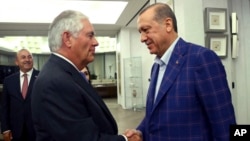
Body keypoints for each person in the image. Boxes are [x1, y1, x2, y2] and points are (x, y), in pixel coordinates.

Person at [125, 3, 236, 141]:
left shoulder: (201, 59)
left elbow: (224, 123)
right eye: (140, 32)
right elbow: (155, 114)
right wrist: (140, 131)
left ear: (168, 25)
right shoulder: (156, 67)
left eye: (146, 30)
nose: (142, 38)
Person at [31, 10, 141, 141]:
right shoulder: (56, 82)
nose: (96, 42)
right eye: (90, 35)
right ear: (67, 39)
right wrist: (126, 139)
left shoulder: (65, 74)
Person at [1, 49, 39, 141]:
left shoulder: (42, 77)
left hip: (37, 130)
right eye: (23, 57)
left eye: (29, 57)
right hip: (15, 130)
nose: (27, 59)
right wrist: (5, 129)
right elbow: (5, 107)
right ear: (17, 62)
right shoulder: (9, 81)